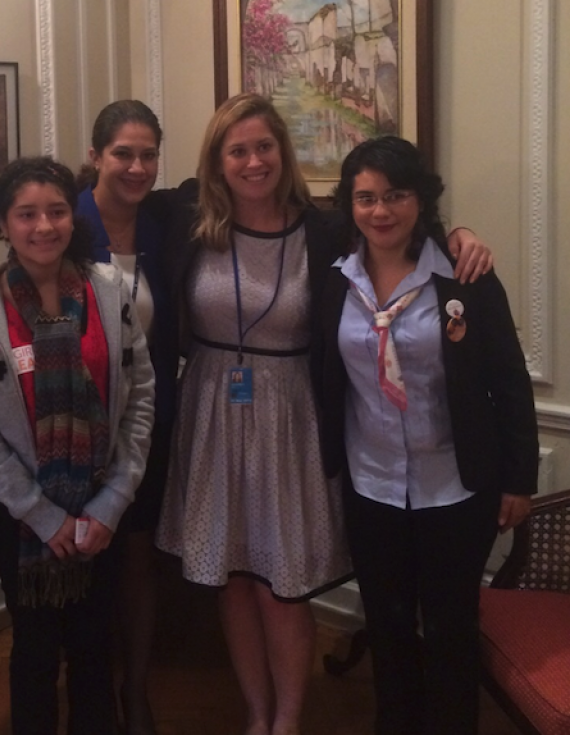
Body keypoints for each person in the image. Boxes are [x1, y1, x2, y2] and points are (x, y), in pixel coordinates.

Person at [154, 93, 493, 735]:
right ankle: (256, 714)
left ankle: (288, 720)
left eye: (264, 146)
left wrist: (461, 233)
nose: (253, 161)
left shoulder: (326, 228)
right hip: (211, 414)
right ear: (216, 161)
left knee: (282, 584)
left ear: (282, 151)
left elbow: (399, 224)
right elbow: (115, 202)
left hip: (290, 420)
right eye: (238, 150)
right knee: (232, 578)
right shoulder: (188, 220)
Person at [315, 135, 538, 735]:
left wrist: (520, 479)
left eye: (396, 195)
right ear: (349, 205)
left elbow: (509, 378)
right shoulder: (336, 278)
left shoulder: (463, 277)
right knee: (386, 623)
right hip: (372, 486)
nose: (380, 211)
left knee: (449, 627)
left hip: (454, 487)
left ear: (421, 200)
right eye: (365, 198)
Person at [0, 156, 155, 735]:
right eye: (27, 214)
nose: (44, 226)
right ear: (2, 225)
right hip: (21, 519)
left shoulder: (109, 288)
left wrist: (111, 503)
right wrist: (43, 516)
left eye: (57, 211)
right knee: (35, 652)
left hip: (101, 510)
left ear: (74, 215)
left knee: (95, 645)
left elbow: (140, 396)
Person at [75, 99, 175, 735]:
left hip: (151, 420)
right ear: (95, 157)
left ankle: (134, 691)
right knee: (86, 560)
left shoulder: (169, 219)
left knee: (138, 558)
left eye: (147, 155)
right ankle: (88, 694)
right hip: (76, 426)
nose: (136, 168)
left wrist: (452, 236)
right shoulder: (65, 220)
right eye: (122, 154)